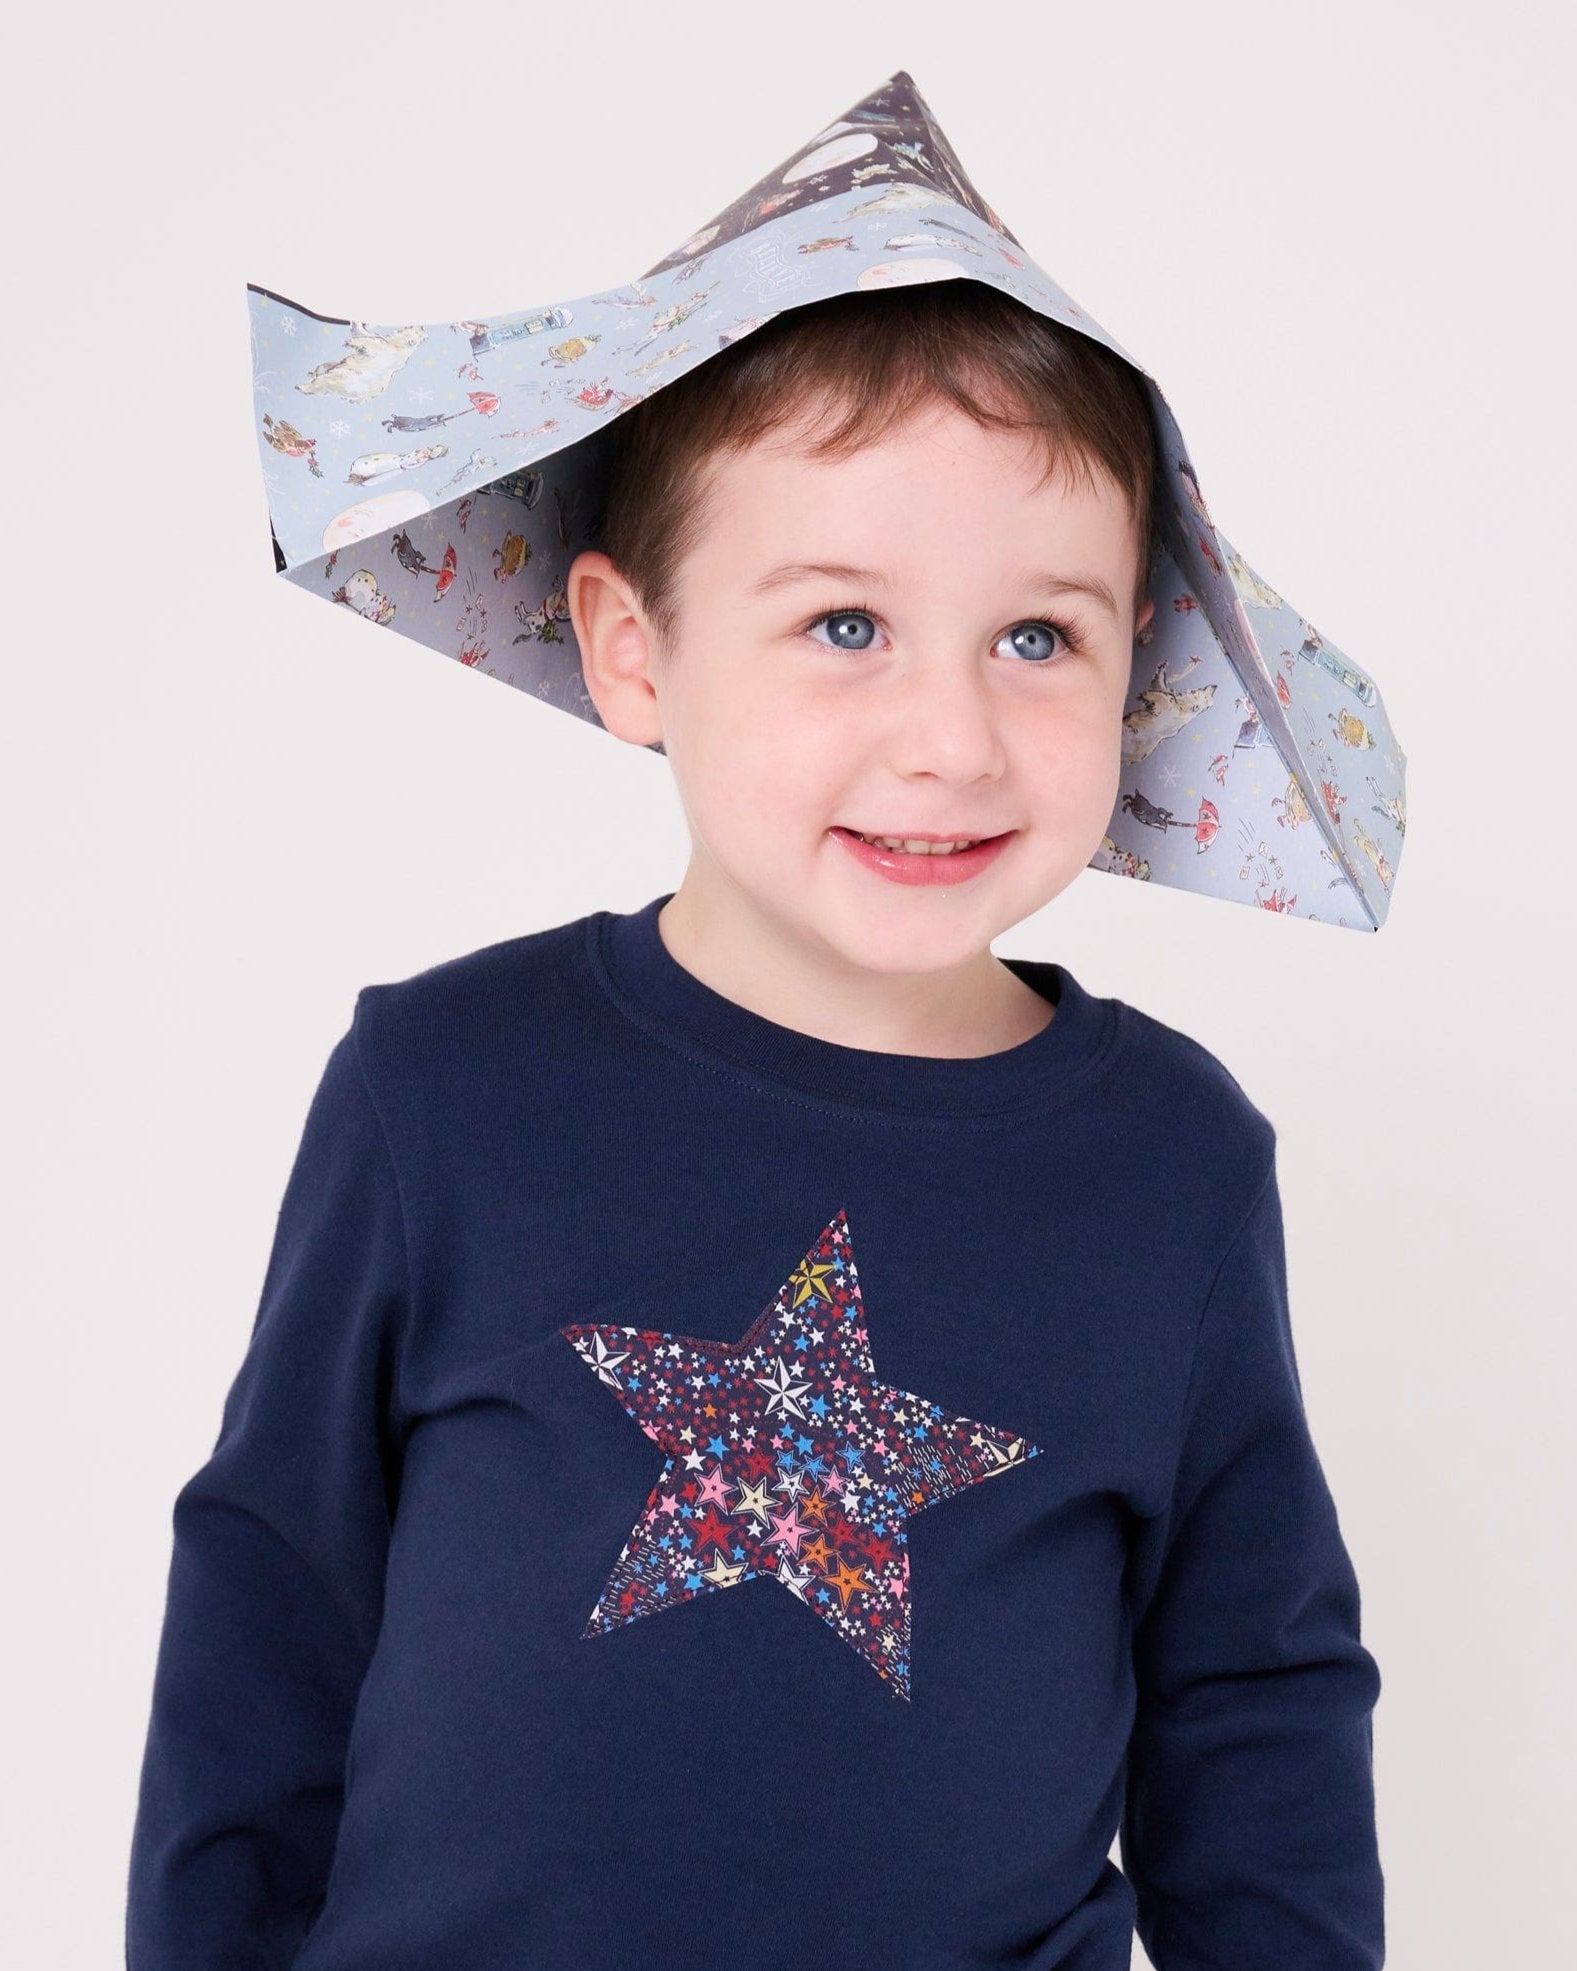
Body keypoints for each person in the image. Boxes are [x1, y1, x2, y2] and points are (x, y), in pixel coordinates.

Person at [127, 175, 1386, 1971]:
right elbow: (269, 1608)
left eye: (1037, 638)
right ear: (632, 649)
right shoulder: (445, 1083)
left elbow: (1252, 1695)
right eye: (845, 625)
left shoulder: (1170, 1160)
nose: (948, 739)